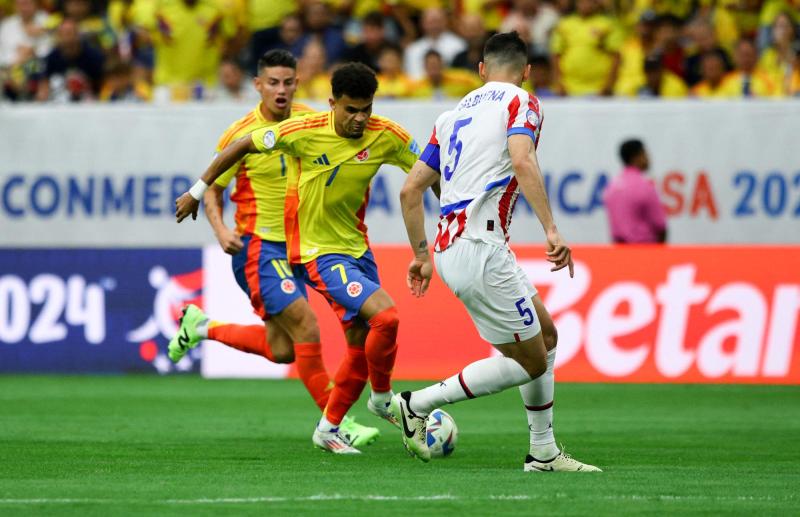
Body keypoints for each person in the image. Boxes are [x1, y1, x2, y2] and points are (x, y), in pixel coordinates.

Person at [175, 62, 421, 454]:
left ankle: (202, 326)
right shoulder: (268, 131)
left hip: (337, 247)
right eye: (274, 82)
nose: (282, 90)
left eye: (289, 82)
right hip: (263, 245)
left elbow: (428, 172)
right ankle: (359, 413)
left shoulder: (357, 129)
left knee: (285, 348)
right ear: (258, 85)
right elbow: (217, 184)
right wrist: (214, 218)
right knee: (313, 325)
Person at [394, 31, 600, 472]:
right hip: (480, 248)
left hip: (458, 248)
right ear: (527, 73)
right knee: (529, 361)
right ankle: (416, 402)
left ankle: (543, 452)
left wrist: (421, 255)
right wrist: (551, 230)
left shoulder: (448, 117)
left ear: (481, 70)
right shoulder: (521, 102)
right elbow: (522, 160)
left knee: (546, 338)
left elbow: (411, 189)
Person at [603, 139, 667, 244]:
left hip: (619, 253)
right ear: (638, 156)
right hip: (646, 252)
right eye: (645, 154)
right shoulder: (645, 186)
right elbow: (660, 226)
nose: (648, 158)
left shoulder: (611, 188)